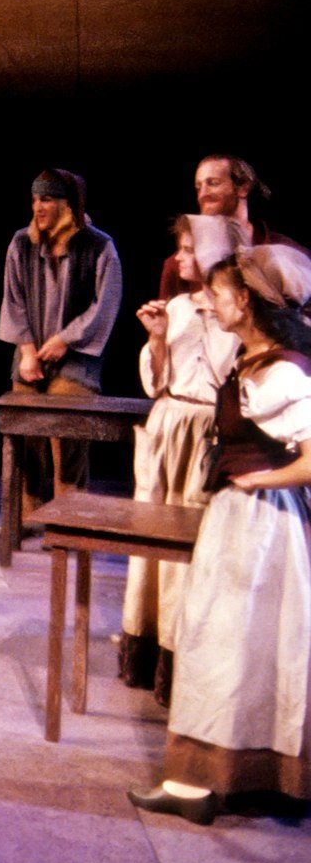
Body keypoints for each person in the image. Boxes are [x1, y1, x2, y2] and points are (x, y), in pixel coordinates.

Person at [129, 245, 311, 825]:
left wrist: (263, 478)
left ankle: (211, 783)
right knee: (224, 646)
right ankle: (205, 780)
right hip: (238, 517)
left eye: (219, 292)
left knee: (232, 645)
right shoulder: (251, 360)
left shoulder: (284, 370)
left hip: (260, 524)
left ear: (248, 300)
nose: (209, 301)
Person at [119, 215, 246, 702]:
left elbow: (220, 375)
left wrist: (210, 319)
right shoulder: (174, 304)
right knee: (152, 545)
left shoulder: (235, 313)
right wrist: (157, 336)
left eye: (191, 250)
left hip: (204, 431)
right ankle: (147, 647)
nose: (180, 259)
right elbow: (155, 382)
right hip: (169, 424)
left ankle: (184, 655)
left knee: (190, 550)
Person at [0, 168, 123, 515]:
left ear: (68, 205)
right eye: (35, 199)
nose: (38, 207)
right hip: (30, 356)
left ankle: (66, 520)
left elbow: (105, 303)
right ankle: (26, 515)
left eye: (47, 199)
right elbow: (14, 299)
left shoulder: (99, 246)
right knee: (26, 437)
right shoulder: (22, 243)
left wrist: (66, 340)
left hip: (77, 359)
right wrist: (26, 352)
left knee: (68, 438)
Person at [158, 156, 296, 300]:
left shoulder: (285, 251)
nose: (203, 195)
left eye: (213, 183)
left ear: (243, 187)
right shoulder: (177, 265)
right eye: (199, 187)